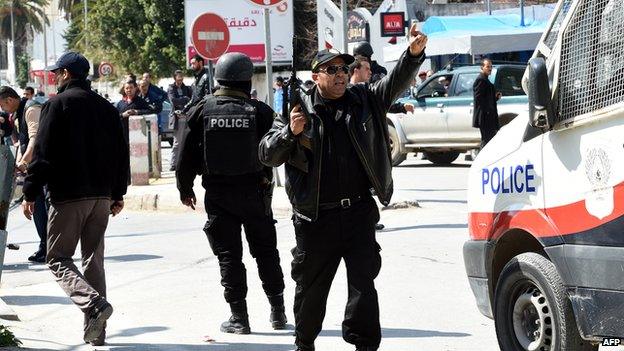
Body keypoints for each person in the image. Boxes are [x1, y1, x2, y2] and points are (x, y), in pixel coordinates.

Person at [259, 24, 427, 351]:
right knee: (310, 290)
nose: (341, 75)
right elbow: (267, 154)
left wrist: (413, 55)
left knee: (364, 286)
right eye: (332, 69)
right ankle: (304, 344)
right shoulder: (298, 108)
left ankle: (364, 345)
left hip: (358, 213)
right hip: (315, 218)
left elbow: (394, 84)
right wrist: (289, 134)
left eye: (344, 69)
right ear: (316, 75)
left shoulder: (364, 99)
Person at [21, 51, 129, 346]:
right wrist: (118, 193)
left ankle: (94, 305)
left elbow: (42, 155)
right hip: (101, 198)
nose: (54, 78)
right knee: (94, 261)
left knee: (57, 259)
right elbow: (122, 155)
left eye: (57, 73)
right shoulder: (107, 108)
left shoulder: (56, 105)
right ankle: (97, 334)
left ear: (66, 74)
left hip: (68, 197)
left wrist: (29, 192)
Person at [177, 52, 287, 335]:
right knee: (266, 252)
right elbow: (279, 149)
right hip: (256, 194)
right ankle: (278, 313)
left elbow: (184, 155)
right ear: (247, 80)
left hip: (219, 195)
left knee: (229, 257)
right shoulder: (261, 111)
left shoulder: (202, 109)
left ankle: (239, 318)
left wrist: (185, 188)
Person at [0, 86, 47, 263]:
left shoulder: (31, 109)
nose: (3, 110)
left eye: (3, 106)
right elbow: (23, 141)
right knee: (37, 206)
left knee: (40, 206)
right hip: (33, 167)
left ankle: (48, 247)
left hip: (41, 166)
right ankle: (46, 246)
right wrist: (16, 164)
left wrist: (24, 162)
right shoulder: (19, 113)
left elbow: (35, 139)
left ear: (9, 100)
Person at [472, 59, 502, 147]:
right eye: (487, 66)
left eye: (491, 66)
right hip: (485, 117)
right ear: (482, 67)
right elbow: (478, 98)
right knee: (486, 142)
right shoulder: (481, 80)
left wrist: (495, 97)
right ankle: (482, 160)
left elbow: (487, 98)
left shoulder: (486, 79)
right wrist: (487, 111)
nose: (490, 69)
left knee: (490, 141)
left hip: (489, 117)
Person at [167, 70, 192, 171]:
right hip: (177, 118)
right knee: (177, 142)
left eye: (181, 78)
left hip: (187, 116)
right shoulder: (171, 88)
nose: (180, 81)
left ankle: (184, 162)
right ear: (175, 78)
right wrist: (185, 99)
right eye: (178, 79)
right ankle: (174, 163)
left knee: (186, 142)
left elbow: (191, 100)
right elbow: (173, 101)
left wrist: (185, 99)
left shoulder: (187, 88)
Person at [116, 80, 152, 145]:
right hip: (123, 135)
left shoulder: (141, 101)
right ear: (124, 89)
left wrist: (137, 112)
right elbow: (114, 117)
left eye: (131, 87)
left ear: (135, 88)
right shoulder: (120, 103)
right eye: (127, 88)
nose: (129, 90)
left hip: (138, 135)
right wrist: (123, 115)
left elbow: (150, 111)